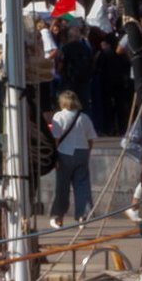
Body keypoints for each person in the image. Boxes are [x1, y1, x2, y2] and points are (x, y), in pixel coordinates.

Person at [49, 90, 96, 228]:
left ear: (62, 102)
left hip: (64, 153)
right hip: (82, 152)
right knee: (82, 185)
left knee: (62, 187)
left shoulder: (59, 116)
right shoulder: (84, 117)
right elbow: (91, 139)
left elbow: (56, 139)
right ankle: (82, 216)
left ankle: (58, 217)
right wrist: (87, 153)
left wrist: (55, 157)